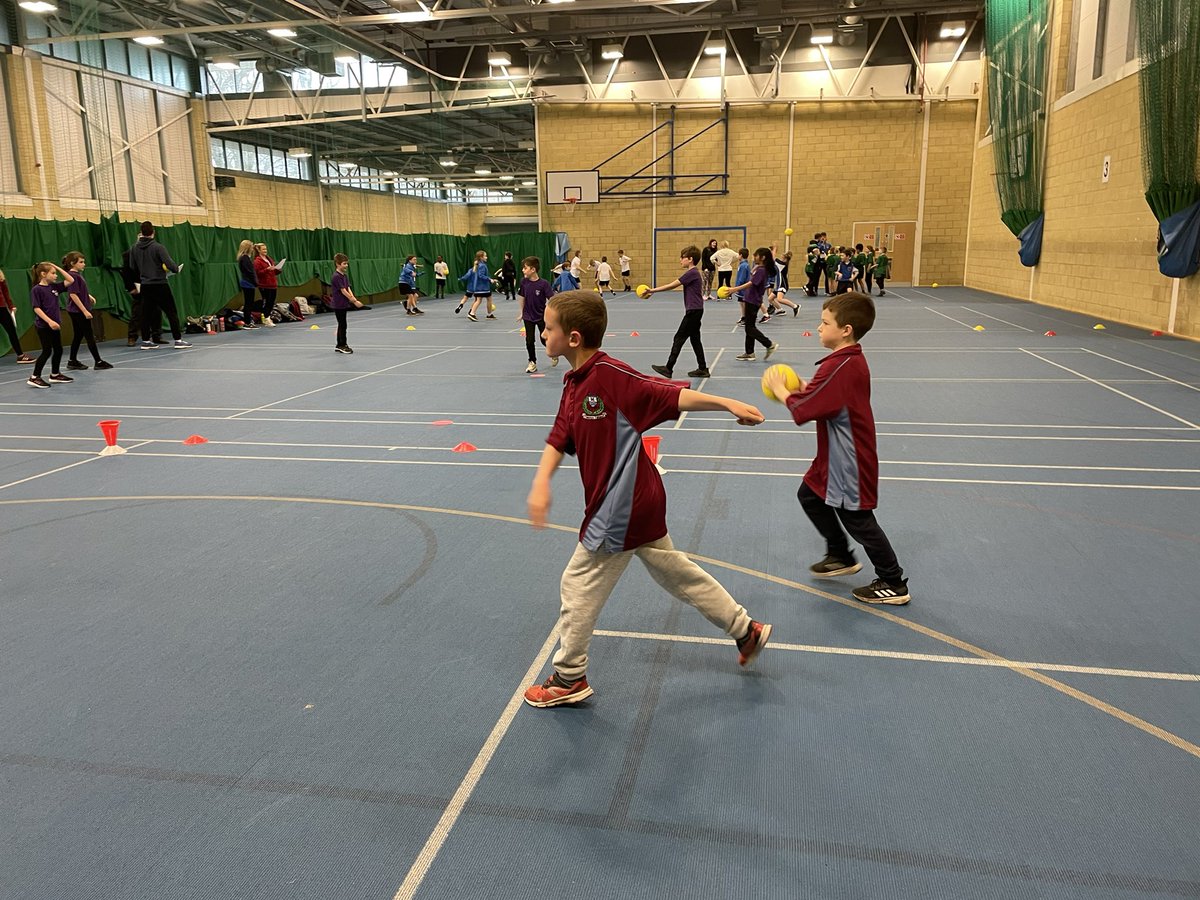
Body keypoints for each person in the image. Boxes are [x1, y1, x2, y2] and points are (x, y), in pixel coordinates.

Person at [523, 290, 773, 707]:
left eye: (548, 328)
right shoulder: (574, 382)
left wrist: (728, 402)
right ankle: (745, 630)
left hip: (620, 507)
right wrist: (541, 482)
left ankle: (568, 677)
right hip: (636, 502)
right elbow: (559, 436)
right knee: (676, 572)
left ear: (573, 338)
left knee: (578, 584)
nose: (540, 332)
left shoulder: (611, 377)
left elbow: (670, 395)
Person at [763, 292, 910, 605]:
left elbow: (804, 411)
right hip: (833, 455)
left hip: (848, 460)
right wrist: (803, 386)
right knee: (809, 495)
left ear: (846, 330)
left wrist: (781, 390)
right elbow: (824, 396)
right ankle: (840, 554)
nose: (818, 327)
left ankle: (893, 580)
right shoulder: (842, 362)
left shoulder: (841, 366)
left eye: (825, 322)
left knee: (858, 518)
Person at [645, 245, 709, 380]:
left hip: (693, 311)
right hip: (697, 310)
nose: (680, 260)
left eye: (682, 258)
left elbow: (672, 285)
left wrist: (652, 291)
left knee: (679, 337)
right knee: (695, 340)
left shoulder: (692, 273)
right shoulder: (694, 273)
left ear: (690, 259)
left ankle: (668, 368)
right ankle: (703, 368)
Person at [128, 221, 190, 349]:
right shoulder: (158, 247)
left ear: (141, 232)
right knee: (171, 312)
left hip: (145, 285)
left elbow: (132, 266)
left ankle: (146, 341)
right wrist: (175, 269)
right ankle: (178, 340)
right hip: (160, 285)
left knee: (145, 314)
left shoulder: (134, 248)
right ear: (153, 232)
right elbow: (170, 264)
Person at [26, 261, 75, 388]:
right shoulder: (37, 289)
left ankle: (55, 374)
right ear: (43, 274)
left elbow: (70, 280)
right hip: (43, 326)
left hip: (55, 325)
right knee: (46, 351)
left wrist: (56, 266)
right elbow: (37, 308)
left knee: (58, 350)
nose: (56, 275)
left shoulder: (55, 287)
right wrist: (49, 321)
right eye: (53, 273)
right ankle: (34, 377)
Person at [61, 251, 112, 371]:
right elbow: (73, 294)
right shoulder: (73, 276)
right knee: (89, 335)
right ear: (73, 263)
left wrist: (88, 296)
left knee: (78, 335)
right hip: (77, 311)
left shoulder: (76, 275)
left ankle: (72, 361)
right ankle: (98, 361)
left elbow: (79, 290)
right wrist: (84, 311)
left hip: (76, 310)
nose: (84, 264)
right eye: (81, 262)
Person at [728, 247, 779, 363]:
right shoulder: (760, 268)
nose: (754, 257)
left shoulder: (761, 270)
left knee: (750, 328)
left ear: (763, 258)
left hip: (753, 301)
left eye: (756, 256)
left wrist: (734, 289)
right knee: (749, 327)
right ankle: (749, 352)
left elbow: (751, 283)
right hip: (751, 300)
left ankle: (769, 344)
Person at [517, 255, 556, 373]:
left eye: (525, 268)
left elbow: (552, 300)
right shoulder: (524, 282)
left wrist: (550, 314)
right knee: (529, 340)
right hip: (528, 316)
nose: (523, 270)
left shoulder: (544, 284)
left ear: (533, 269)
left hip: (541, 316)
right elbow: (522, 297)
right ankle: (532, 362)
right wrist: (521, 313)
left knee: (544, 339)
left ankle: (553, 353)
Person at [120, 248, 161, 346]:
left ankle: (156, 336)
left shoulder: (153, 252)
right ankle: (132, 337)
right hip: (138, 287)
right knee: (137, 312)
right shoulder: (129, 254)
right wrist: (131, 287)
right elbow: (125, 271)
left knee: (156, 310)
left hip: (152, 285)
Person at [330, 252, 364, 354]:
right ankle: (342, 345)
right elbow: (343, 291)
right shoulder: (336, 276)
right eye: (344, 264)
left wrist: (354, 298)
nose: (346, 266)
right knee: (342, 324)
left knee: (342, 324)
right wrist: (353, 301)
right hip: (338, 304)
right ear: (338, 264)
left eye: (347, 264)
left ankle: (339, 344)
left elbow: (348, 288)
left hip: (344, 304)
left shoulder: (344, 276)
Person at [0, 269, 34, 363]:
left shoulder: (0, 276)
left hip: (2, 309)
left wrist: (11, 306)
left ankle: (20, 356)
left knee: (12, 331)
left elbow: (5, 292)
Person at [458, 251, 494, 322]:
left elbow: (469, 276)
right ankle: (473, 313)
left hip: (477, 287)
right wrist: (490, 279)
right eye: (485, 256)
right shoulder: (482, 266)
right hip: (483, 287)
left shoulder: (477, 265)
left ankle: (474, 313)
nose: (486, 257)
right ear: (481, 257)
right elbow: (481, 276)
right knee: (487, 299)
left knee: (479, 300)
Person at [253, 242, 281, 327]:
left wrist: (277, 269)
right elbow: (258, 273)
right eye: (263, 249)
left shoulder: (269, 259)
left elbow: (273, 271)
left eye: (266, 249)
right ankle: (266, 318)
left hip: (273, 283)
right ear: (259, 250)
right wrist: (267, 269)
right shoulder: (257, 261)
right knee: (267, 301)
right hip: (264, 284)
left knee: (271, 302)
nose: (265, 251)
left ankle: (267, 317)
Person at [237, 239, 259, 329]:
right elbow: (250, 272)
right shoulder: (245, 258)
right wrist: (255, 282)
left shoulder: (245, 257)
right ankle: (247, 322)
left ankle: (248, 321)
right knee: (248, 303)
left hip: (248, 283)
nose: (253, 248)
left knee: (249, 303)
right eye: (251, 246)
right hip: (248, 283)